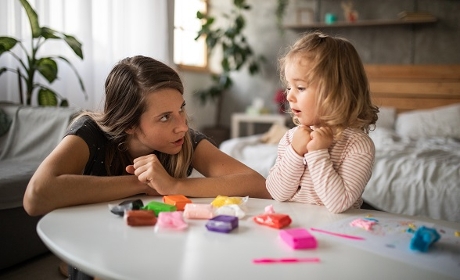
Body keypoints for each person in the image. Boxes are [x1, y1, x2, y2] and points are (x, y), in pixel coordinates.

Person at [23, 55, 271, 279]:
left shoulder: (183, 140)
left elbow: (257, 184)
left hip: (156, 248)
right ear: (129, 124)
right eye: (165, 117)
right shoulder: (89, 132)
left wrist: (175, 185)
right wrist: (143, 183)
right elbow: (35, 197)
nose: (182, 126)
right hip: (95, 245)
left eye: (181, 109)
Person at [265, 31, 379, 214]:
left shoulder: (357, 145)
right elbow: (276, 193)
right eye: (288, 87)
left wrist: (317, 152)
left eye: (300, 87)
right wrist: (295, 152)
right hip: (292, 227)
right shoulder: (292, 138)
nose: (289, 96)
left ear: (337, 92)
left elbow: (339, 204)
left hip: (335, 235)